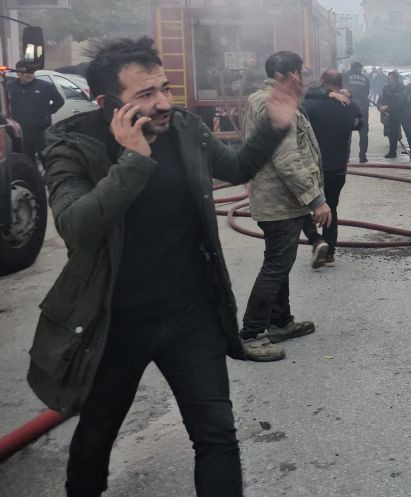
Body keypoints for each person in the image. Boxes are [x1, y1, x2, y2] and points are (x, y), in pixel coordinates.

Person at [30, 36, 302, 497]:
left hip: (189, 316)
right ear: (106, 103)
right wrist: (133, 160)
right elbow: (77, 227)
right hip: (112, 322)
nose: (162, 103)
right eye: (145, 95)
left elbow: (235, 167)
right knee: (95, 439)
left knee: (216, 435)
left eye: (164, 88)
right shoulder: (73, 146)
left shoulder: (185, 129)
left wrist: (273, 127)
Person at [239, 51, 330, 353]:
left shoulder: (258, 99)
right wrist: (316, 198)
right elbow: (288, 159)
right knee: (276, 266)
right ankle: (252, 333)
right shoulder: (274, 103)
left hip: (275, 199)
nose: (302, 79)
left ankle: (280, 322)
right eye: (298, 73)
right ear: (283, 76)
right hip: (280, 201)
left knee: (279, 262)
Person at [302, 69, 361, 268]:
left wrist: (325, 94)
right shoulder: (350, 106)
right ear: (341, 83)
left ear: (321, 81)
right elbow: (359, 123)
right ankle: (329, 254)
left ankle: (316, 240)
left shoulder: (309, 104)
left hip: (312, 167)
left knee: (300, 207)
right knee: (331, 207)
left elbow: (303, 97)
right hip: (337, 168)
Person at [10, 61, 65, 162]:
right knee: (26, 158)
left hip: (41, 128)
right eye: (26, 73)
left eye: (32, 72)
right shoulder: (10, 87)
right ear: (18, 73)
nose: (29, 75)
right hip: (22, 130)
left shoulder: (45, 86)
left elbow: (60, 101)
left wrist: (47, 113)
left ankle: (48, 176)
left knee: (45, 155)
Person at [378, 70, 411, 159]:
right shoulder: (386, 88)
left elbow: (400, 103)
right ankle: (392, 152)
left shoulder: (403, 88)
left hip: (404, 113)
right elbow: (383, 100)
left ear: (395, 79)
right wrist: (382, 107)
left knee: (408, 132)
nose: (388, 80)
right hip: (393, 114)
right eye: (388, 79)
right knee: (393, 133)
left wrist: (387, 107)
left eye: (390, 79)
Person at [346, 61, 371, 163]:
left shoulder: (345, 76)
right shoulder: (365, 79)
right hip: (363, 108)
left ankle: (346, 157)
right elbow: (367, 92)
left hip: (348, 107)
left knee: (346, 132)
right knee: (363, 133)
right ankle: (362, 157)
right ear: (360, 69)